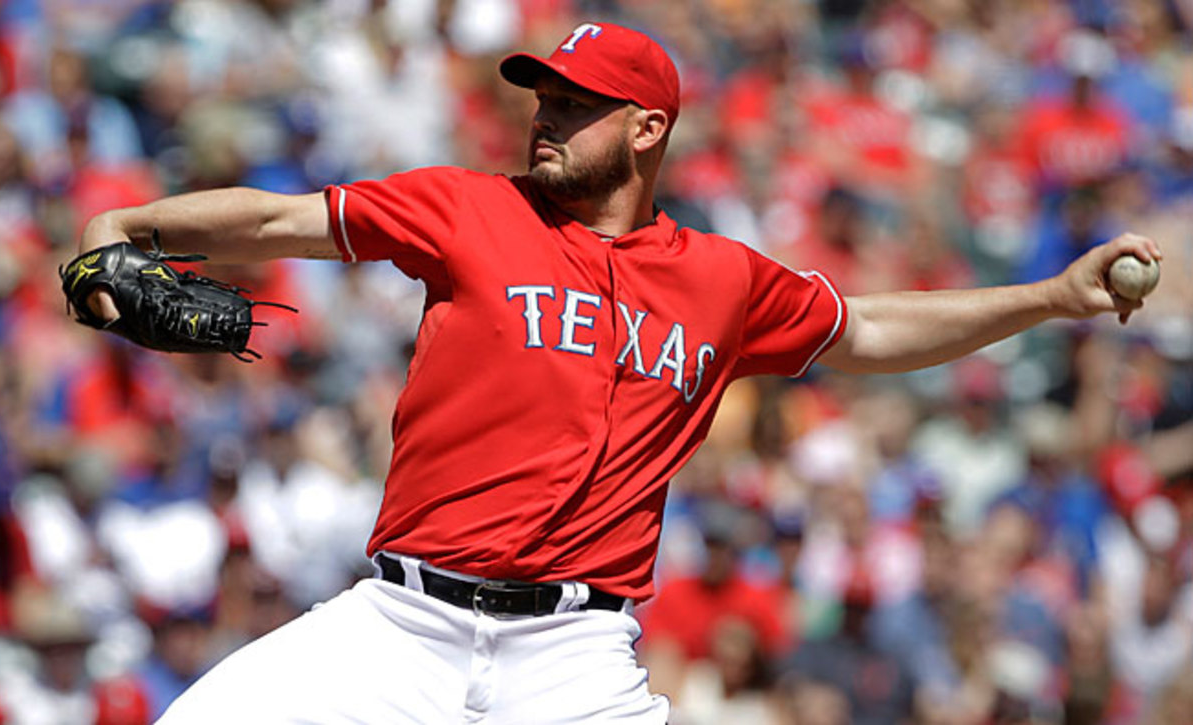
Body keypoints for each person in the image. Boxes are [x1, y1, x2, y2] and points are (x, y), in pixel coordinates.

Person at [72, 21, 1161, 724]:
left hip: (575, 653)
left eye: (575, 104)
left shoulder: (722, 279)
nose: (544, 114)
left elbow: (869, 330)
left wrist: (1052, 300)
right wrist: (130, 218)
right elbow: (276, 216)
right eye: (543, 95)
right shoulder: (470, 206)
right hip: (399, 625)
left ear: (646, 129)